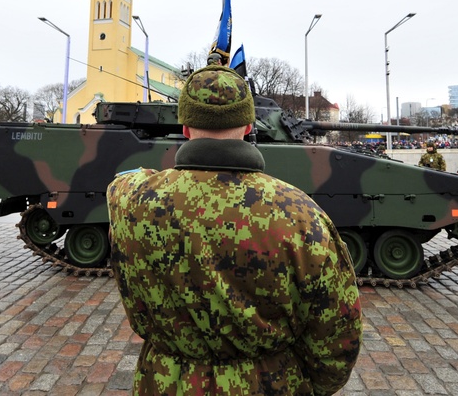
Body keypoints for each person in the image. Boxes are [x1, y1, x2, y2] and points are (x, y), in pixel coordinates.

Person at [107, 65, 362, 395]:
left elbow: (123, 181)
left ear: (184, 127)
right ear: (248, 125)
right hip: (267, 383)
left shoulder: (132, 200)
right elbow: (338, 334)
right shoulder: (301, 213)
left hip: (166, 382)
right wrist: (310, 385)